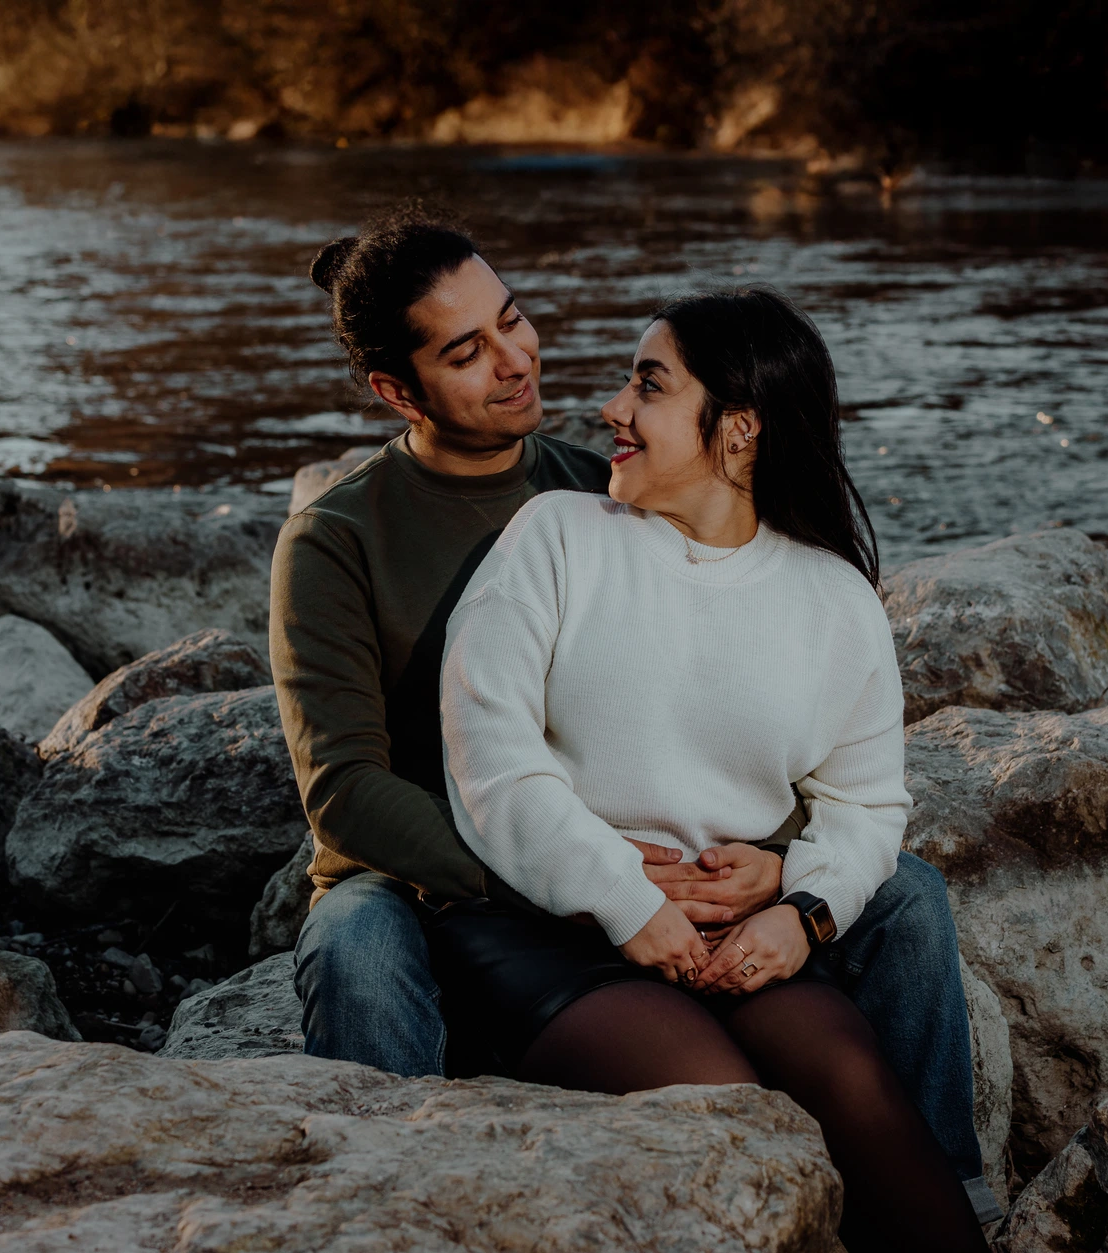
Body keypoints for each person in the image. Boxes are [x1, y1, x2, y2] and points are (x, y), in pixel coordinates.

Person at [267, 205, 1002, 1226]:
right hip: (435, 870)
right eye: (467, 350)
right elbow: (345, 789)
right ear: (398, 389)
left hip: (617, 862)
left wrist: (782, 875)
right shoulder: (340, 536)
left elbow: (708, 684)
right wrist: (588, 880)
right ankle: (390, 1199)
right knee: (356, 943)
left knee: (906, 891)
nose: (516, 359)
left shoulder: (599, 489)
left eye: (513, 319)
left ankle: (950, 1181)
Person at [430, 287, 987, 1251]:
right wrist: (621, 898)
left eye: (648, 385)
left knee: (857, 1087)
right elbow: (492, 758)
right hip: (547, 931)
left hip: (731, 939)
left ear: (738, 430)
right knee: (727, 1107)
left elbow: (863, 806)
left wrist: (800, 914)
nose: (613, 408)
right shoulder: (557, 537)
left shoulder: (832, 597)